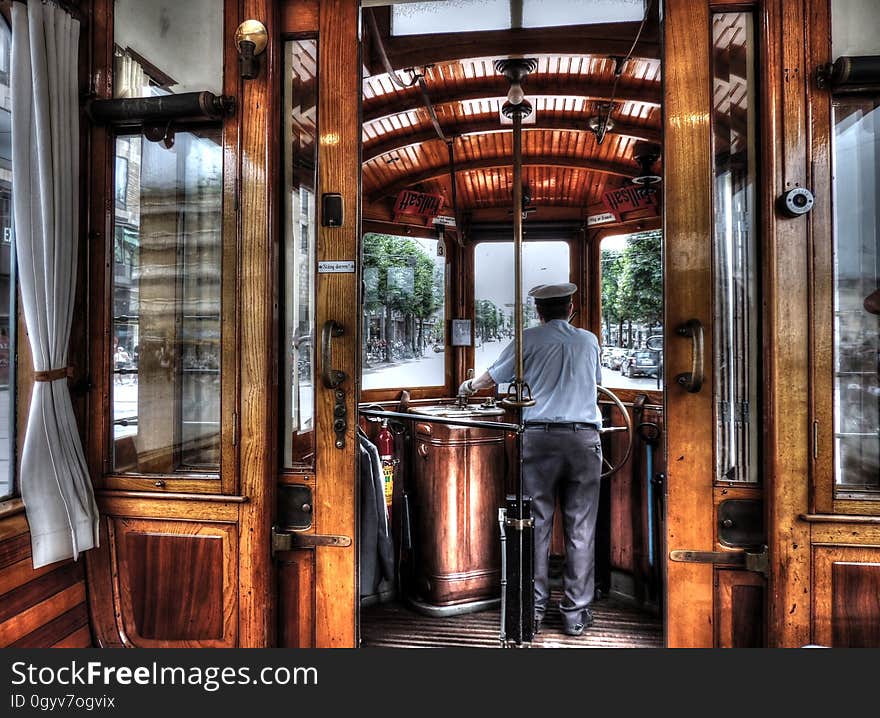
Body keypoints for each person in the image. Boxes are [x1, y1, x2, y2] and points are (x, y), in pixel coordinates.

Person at [458, 282, 602, 636]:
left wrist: (467, 387)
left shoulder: (529, 339)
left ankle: (532, 611)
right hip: (584, 441)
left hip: (538, 440)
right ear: (571, 309)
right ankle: (574, 615)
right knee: (581, 530)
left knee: (534, 528)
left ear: (539, 312)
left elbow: (493, 377)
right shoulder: (589, 341)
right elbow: (595, 383)